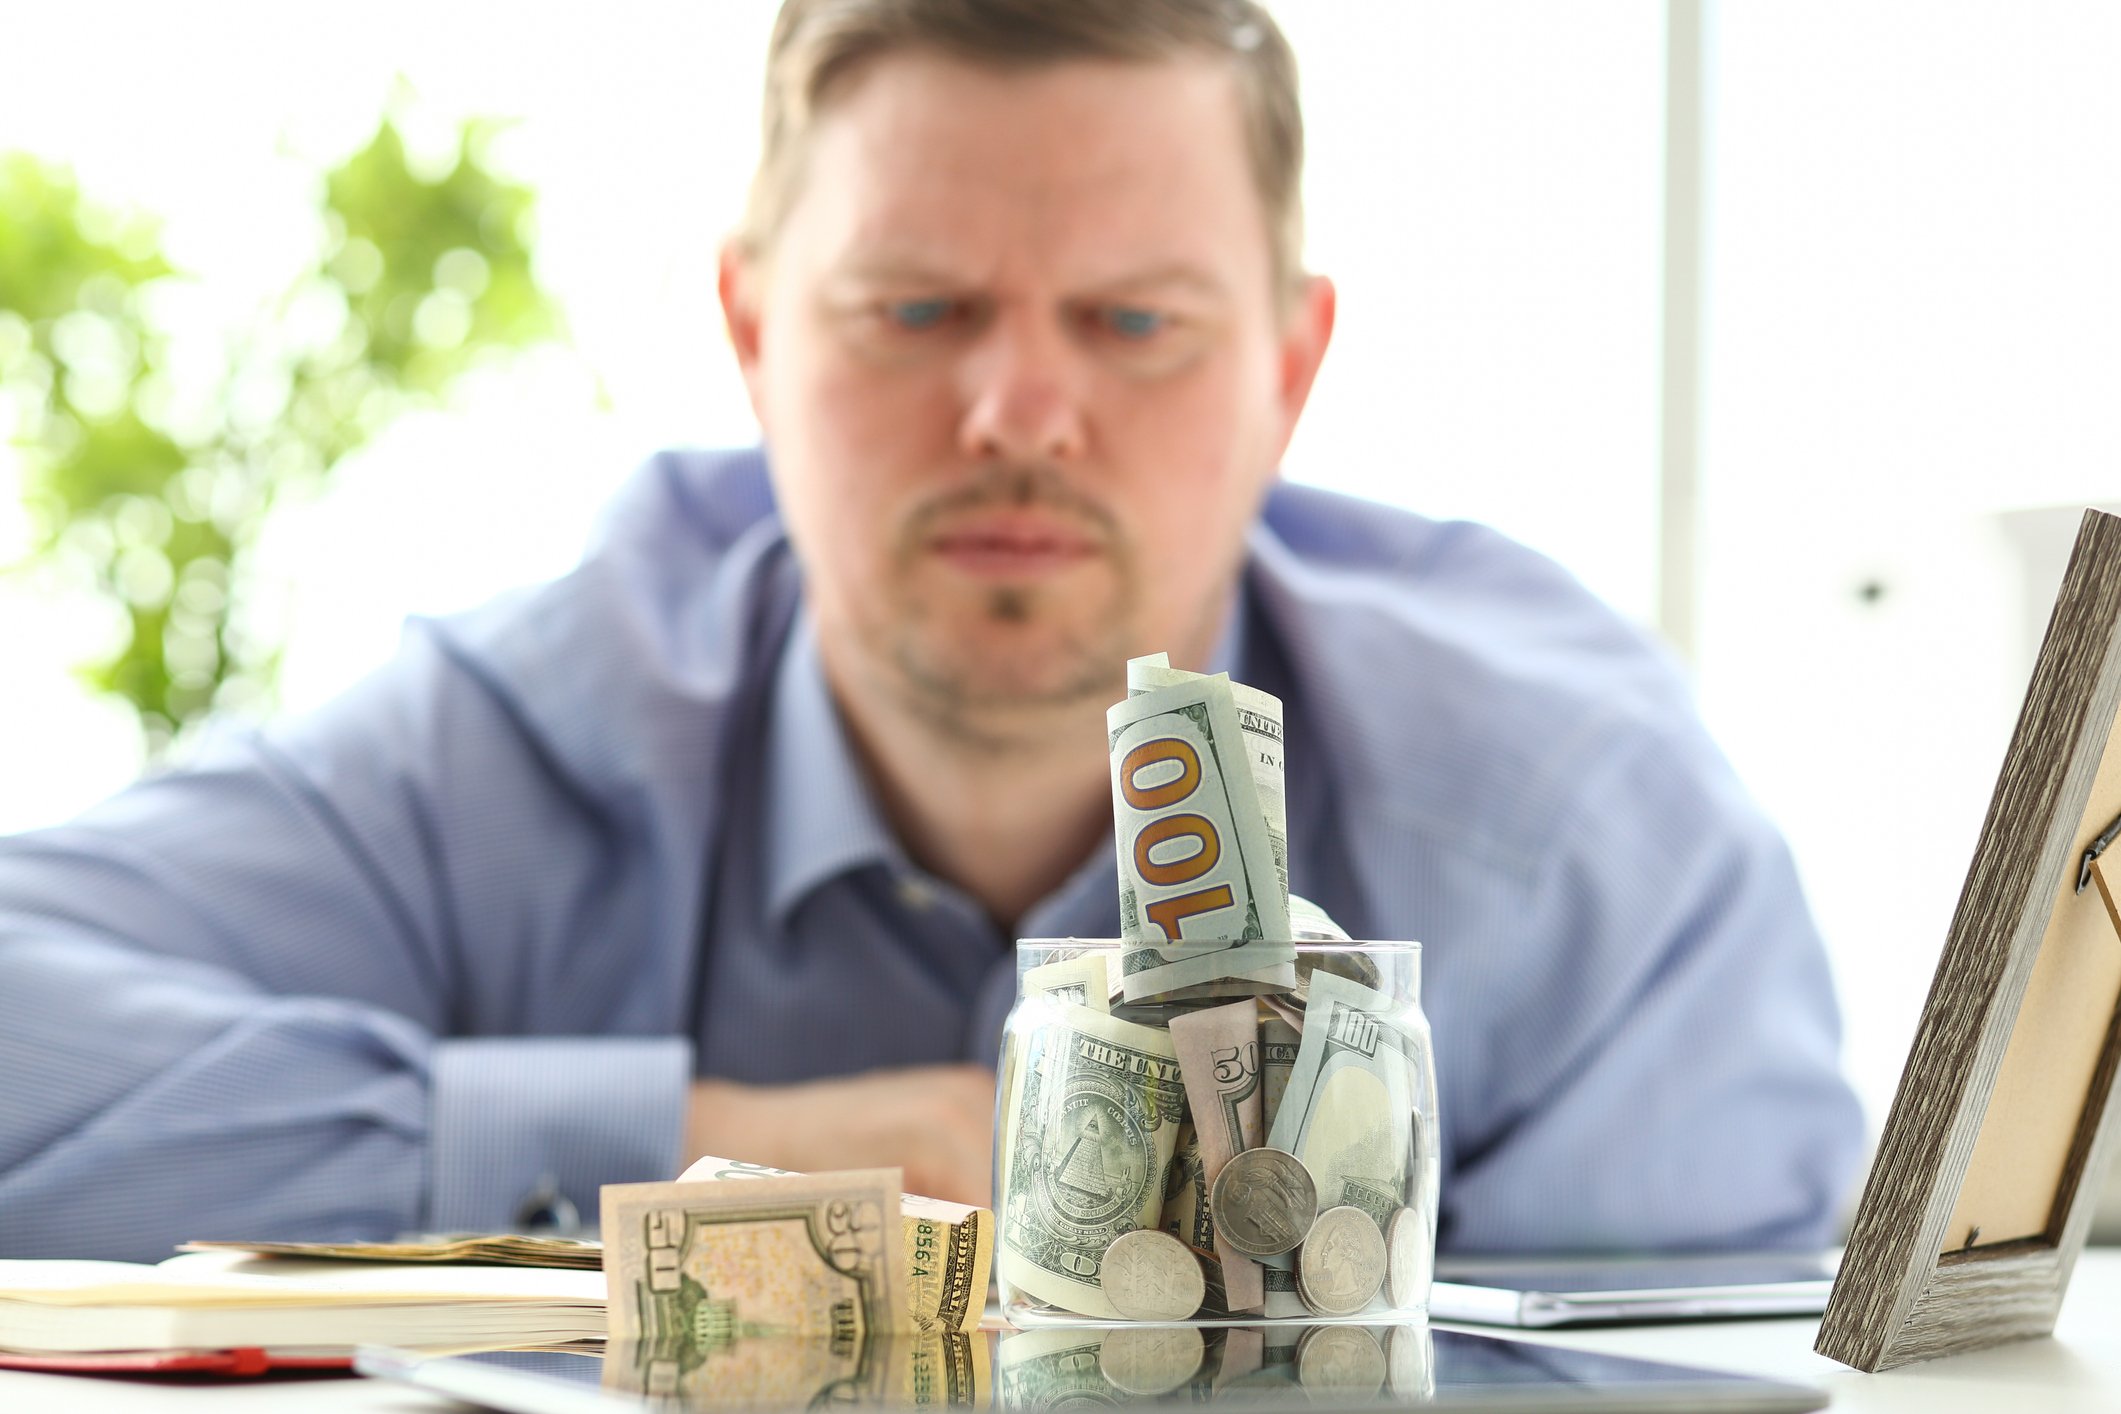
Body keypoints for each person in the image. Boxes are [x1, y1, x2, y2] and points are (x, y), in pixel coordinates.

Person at [0, 0, 1862, 1263]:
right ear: (750, 333)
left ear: (1292, 369)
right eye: (914, 309)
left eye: (1136, 323)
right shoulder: (496, 750)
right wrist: (713, 1145)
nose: (1020, 414)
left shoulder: (1581, 836)